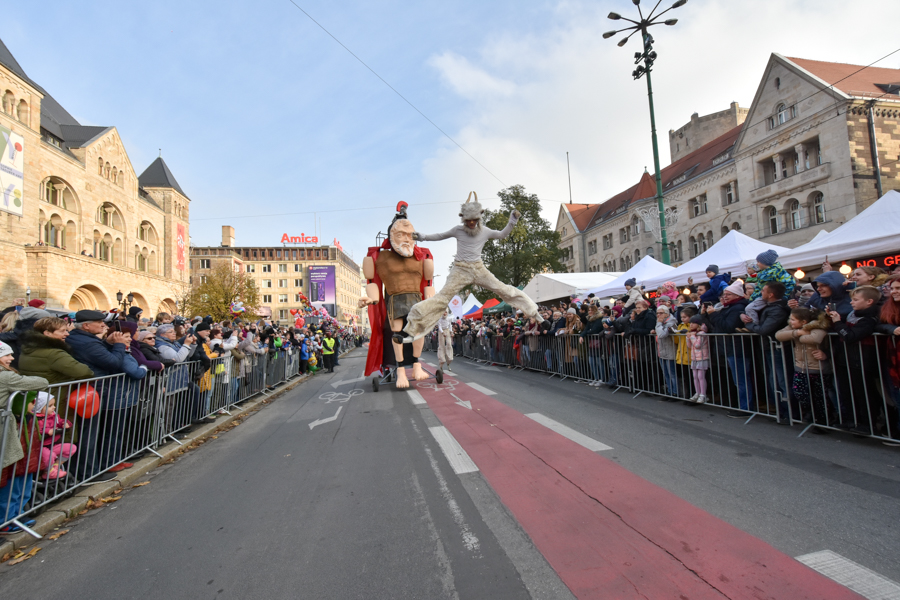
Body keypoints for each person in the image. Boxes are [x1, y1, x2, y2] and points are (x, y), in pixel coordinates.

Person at [403, 192, 542, 341]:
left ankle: (535, 314)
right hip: (460, 269)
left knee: (503, 289)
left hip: (478, 269)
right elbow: (439, 236)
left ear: (479, 218)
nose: (471, 224)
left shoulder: (485, 231)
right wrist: (422, 236)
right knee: (442, 298)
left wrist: (512, 221)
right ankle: (411, 327)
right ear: (463, 218)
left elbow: (502, 235)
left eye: (474, 221)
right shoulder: (458, 230)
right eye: (468, 221)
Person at [0, 340, 48, 533]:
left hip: (9, 427)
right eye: (7, 355)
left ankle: (12, 516)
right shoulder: (5, 376)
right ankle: (7, 519)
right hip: (6, 429)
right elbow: (41, 382)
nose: (12, 358)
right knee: (10, 471)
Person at [828, 285, 889, 435]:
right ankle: (851, 420)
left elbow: (850, 336)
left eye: (855, 299)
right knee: (847, 391)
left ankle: (868, 424)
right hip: (847, 359)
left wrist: (837, 322)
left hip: (862, 360)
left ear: (869, 301)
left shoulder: (870, 318)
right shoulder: (852, 315)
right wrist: (834, 318)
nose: (851, 302)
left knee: (864, 394)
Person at [741, 281, 790, 412]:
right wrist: (743, 315)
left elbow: (764, 329)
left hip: (777, 347)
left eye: (763, 290)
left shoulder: (777, 309)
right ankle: (778, 408)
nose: (760, 292)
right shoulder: (767, 306)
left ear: (771, 294)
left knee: (780, 379)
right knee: (772, 378)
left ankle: (788, 411)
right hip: (768, 347)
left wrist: (749, 326)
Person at [775, 308, 830, 424]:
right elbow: (779, 335)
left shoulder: (817, 326)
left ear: (804, 322)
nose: (790, 321)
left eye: (793, 319)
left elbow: (815, 338)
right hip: (801, 367)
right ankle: (810, 411)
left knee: (819, 396)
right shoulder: (794, 328)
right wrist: (797, 332)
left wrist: (800, 336)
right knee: (799, 391)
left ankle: (821, 420)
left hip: (817, 369)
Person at [705, 280, 753, 413]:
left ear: (737, 296)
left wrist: (713, 314)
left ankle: (746, 407)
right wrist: (708, 315)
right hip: (728, 347)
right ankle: (740, 405)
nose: (725, 296)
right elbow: (718, 324)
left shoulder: (737, 308)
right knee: (736, 380)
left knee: (741, 380)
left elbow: (727, 326)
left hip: (736, 348)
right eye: (724, 294)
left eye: (729, 294)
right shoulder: (727, 307)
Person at [18, 317, 95, 384]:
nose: (67, 334)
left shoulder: (28, 348)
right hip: (55, 396)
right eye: (62, 331)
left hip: (38, 395)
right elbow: (84, 372)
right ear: (48, 333)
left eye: (66, 330)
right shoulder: (54, 354)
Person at [877, 275, 900, 443]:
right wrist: (892, 328)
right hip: (893, 358)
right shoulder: (887, 307)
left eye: (898, 289)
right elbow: (879, 324)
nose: (894, 292)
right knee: (896, 396)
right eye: (892, 289)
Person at [32, 391, 76, 480]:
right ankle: (48, 471)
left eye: (53, 405)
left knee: (71, 448)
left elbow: (59, 421)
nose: (54, 407)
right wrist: (47, 431)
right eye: (50, 406)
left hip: (52, 444)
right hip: (40, 446)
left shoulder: (53, 415)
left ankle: (55, 466)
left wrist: (65, 423)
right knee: (50, 455)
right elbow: (35, 431)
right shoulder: (34, 419)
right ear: (39, 407)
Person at [744, 250, 795, 325]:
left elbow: (760, 289)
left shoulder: (767, 274)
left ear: (765, 263)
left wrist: (752, 299)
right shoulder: (778, 270)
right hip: (778, 296)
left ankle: (753, 325)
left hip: (770, 296)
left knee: (749, 308)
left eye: (758, 262)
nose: (757, 264)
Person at [655, 305, 679, 398]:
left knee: (672, 373)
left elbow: (661, 334)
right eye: (657, 313)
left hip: (670, 350)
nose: (658, 315)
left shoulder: (671, 321)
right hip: (661, 350)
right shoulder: (660, 322)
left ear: (666, 313)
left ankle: (675, 392)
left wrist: (658, 324)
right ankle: (669, 391)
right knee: (665, 373)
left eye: (661, 313)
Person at [687, 314, 710, 404]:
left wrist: (692, 337)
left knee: (701, 376)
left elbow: (697, 345)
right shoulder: (693, 333)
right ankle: (697, 392)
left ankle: (703, 395)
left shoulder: (702, 334)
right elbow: (690, 346)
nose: (691, 324)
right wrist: (688, 337)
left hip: (702, 357)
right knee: (695, 376)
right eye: (690, 323)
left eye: (693, 323)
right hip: (694, 358)